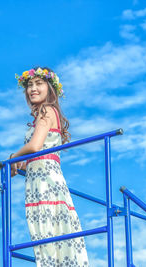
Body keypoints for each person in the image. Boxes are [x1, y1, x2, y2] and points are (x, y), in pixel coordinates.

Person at [8, 66, 89, 266]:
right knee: (55, 231)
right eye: (29, 85)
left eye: (38, 83)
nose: (32, 89)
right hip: (44, 177)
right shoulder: (47, 115)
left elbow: (35, 146)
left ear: (50, 89)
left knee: (47, 232)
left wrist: (13, 156)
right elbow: (39, 156)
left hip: (45, 183)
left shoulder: (46, 110)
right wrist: (21, 163)